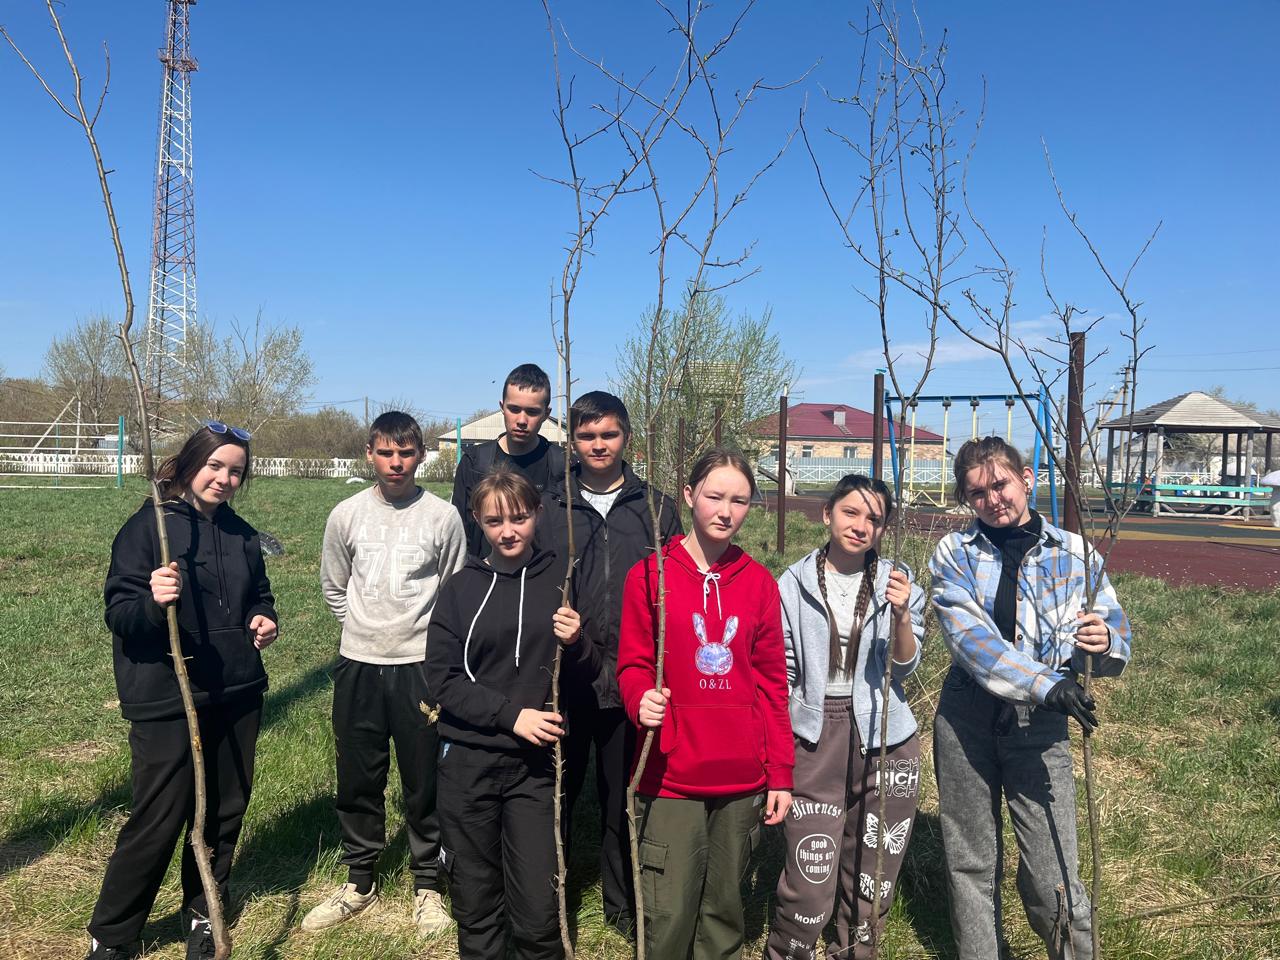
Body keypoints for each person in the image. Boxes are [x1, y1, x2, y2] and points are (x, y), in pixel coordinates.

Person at [930, 437, 1132, 960]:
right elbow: (973, 642)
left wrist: (1107, 641)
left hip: (1042, 724)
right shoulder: (954, 554)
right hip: (967, 716)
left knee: (1052, 867)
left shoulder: (1074, 553)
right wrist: (1048, 682)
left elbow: (1112, 627)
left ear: (1024, 476)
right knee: (971, 860)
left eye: (999, 484)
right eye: (976, 493)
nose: (992, 500)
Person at [87, 422, 278, 960]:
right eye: (215, 465)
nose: (224, 478)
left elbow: (259, 596)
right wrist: (152, 602)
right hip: (169, 695)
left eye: (235, 471)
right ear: (190, 463)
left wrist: (263, 619)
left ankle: (202, 913)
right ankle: (114, 934)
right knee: (160, 815)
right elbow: (120, 616)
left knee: (223, 811)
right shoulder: (148, 529)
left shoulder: (241, 534)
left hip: (236, 690)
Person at [617, 448, 794, 960]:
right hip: (670, 774)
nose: (726, 511)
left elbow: (771, 684)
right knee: (667, 911)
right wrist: (639, 699)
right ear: (690, 496)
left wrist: (780, 773)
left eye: (739, 501)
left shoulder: (759, 583)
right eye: (715, 496)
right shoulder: (650, 575)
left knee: (724, 909)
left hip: (741, 778)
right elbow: (630, 663)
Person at [303, 412, 466, 936]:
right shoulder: (346, 515)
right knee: (359, 775)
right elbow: (333, 585)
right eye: (385, 452)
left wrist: (424, 646)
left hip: (419, 667)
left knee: (424, 780)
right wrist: (365, 630)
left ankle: (427, 885)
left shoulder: (443, 517)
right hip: (358, 664)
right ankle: (360, 879)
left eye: (406, 452)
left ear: (421, 455)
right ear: (369, 454)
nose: (396, 463)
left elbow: (455, 592)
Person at [426, 468, 599, 960]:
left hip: (536, 770)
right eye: (495, 520)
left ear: (537, 516)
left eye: (519, 518)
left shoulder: (562, 580)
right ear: (478, 521)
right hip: (467, 761)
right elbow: (441, 678)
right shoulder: (461, 589)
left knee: (539, 906)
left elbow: (591, 669)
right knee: (476, 899)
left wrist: (578, 641)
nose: (508, 531)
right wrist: (511, 716)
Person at [765, 475, 926, 960]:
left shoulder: (896, 581)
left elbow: (904, 664)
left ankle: (856, 952)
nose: (860, 526)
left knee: (874, 869)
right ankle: (791, 950)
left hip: (885, 730)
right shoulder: (790, 584)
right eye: (851, 512)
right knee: (811, 871)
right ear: (827, 514)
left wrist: (900, 614)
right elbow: (784, 669)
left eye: (874, 519)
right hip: (815, 733)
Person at [539, 391, 682, 931]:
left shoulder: (656, 508)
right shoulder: (551, 504)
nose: (598, 445)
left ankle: (621, 904)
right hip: (564, 675)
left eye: (609, 434)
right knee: (558, 790)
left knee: (622, 794)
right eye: (586, 435)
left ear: (627, 437)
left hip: (630, 674)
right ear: (572, 441)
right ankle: (554, 895)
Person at [452, 363, 566, 557]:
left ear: (546, 414)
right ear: (502, 408)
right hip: (486, 580)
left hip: (546, 580)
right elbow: (460, 536)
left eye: (532, 412)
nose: (522, 420)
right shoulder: (475, 464)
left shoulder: (562, 465)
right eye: (514, 409)